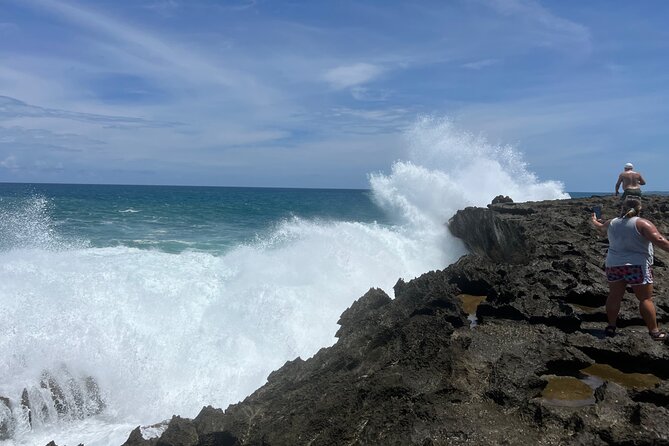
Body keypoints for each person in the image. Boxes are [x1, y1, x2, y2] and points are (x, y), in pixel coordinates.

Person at [591, 197, 669, 340]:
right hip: (637, 267)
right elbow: (659, 241)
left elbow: (600, 228)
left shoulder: (612, 222)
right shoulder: (642, 223)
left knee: (614, 296)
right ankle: (655, 332)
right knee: (645, 299)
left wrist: (595, 219)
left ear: (622, 208)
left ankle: (611, 327)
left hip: (613, 265)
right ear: (639, 208)